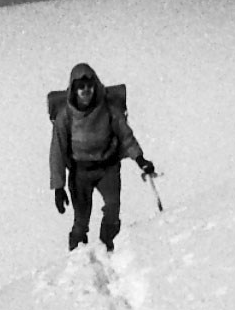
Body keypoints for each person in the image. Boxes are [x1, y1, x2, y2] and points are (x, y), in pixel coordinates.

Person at [50, 62, 156, 253]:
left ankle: (109, 248)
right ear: (73, 89)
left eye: (89, 85)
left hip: (108, 167)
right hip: (80, 172)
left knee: (113, 208)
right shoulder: (65, 116)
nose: (86, 91)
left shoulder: (108, 109)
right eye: (80, 87)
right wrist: (59, 187)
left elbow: (126, 136)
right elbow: (57, 151)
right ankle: (77, 258)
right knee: (81, 221)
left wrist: (140, 159)